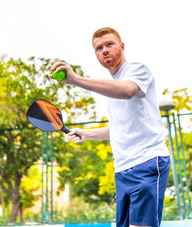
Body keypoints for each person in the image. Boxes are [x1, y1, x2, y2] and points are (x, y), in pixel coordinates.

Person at [48, 27, 171, 227]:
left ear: (122, 46)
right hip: (122, 170)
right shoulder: (113, 88)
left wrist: (76, 80)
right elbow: (120, 128)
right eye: (99, 48)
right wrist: (87, 134)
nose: (104, 50)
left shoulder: (137, 69)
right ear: (96, 54)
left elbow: (128, 91)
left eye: (109, 44)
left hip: (147, 160)